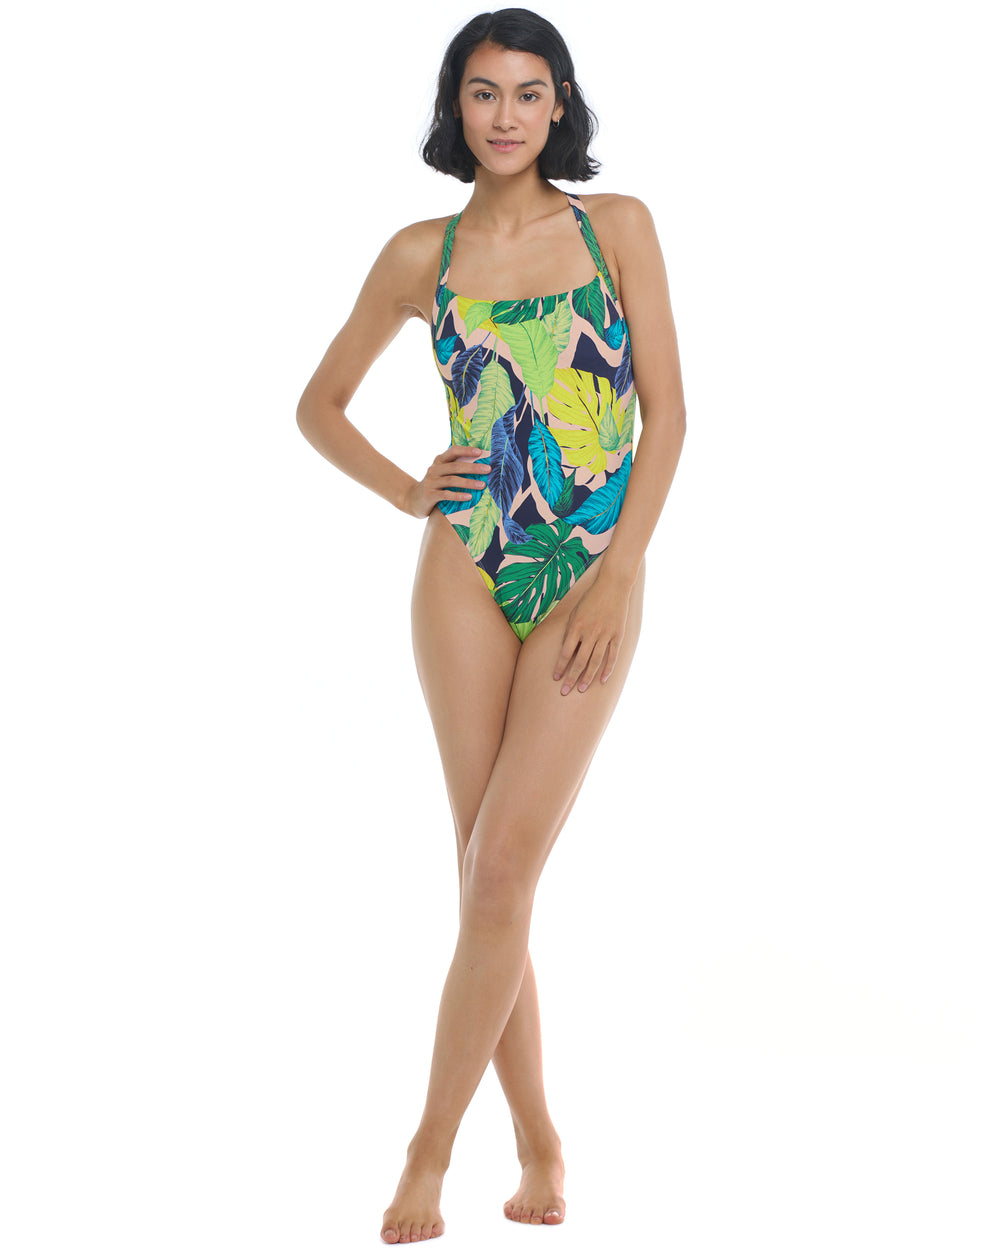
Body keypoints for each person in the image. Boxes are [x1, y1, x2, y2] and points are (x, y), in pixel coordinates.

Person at [296, 8, 686, 1242]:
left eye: (527, 92)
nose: (505, 115)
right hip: (465, 566)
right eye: (482, 92)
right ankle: (533, 1136)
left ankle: (431, 1147)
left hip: (585, 569)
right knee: (486, 875)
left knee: (501, 867)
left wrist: (619, 573)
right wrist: (405, 487)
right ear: (454, 107)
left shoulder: (616, 227)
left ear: (559, 104)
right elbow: (318, 404)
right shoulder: (421, 253)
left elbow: (669, 416)